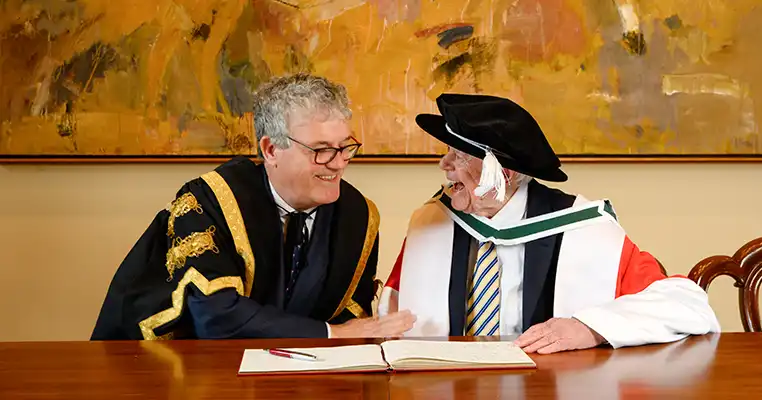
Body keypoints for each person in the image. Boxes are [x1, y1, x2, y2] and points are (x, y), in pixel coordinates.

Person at [378, 93, 720, 353]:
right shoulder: (431, 220)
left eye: (460, 156)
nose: (445, 164)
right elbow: (390, 310)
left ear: (506, 173)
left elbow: (687, 306)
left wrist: (590, 327)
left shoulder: (582, 226)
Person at [92, 73, 415, 340]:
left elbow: (353, 318)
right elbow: (215, 317)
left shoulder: (358, 216)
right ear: (271, 149)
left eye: (345, 147)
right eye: (320, 150)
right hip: (163, 366)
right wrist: (331, 333)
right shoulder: (208, 203)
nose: (338, 164)